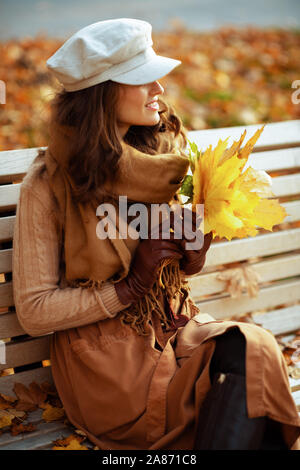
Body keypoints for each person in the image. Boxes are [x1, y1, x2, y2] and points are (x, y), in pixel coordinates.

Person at [13, 18, 300, 450]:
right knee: (251, 366)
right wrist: (128, 287)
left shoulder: (162, 162)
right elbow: (34, 311)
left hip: (178, 333)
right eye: (143, 79)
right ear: (102, 92)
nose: (159, 89)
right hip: (109, 367)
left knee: (253, 350)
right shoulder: (48, 184)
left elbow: (172, 276)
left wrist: (192, 253)